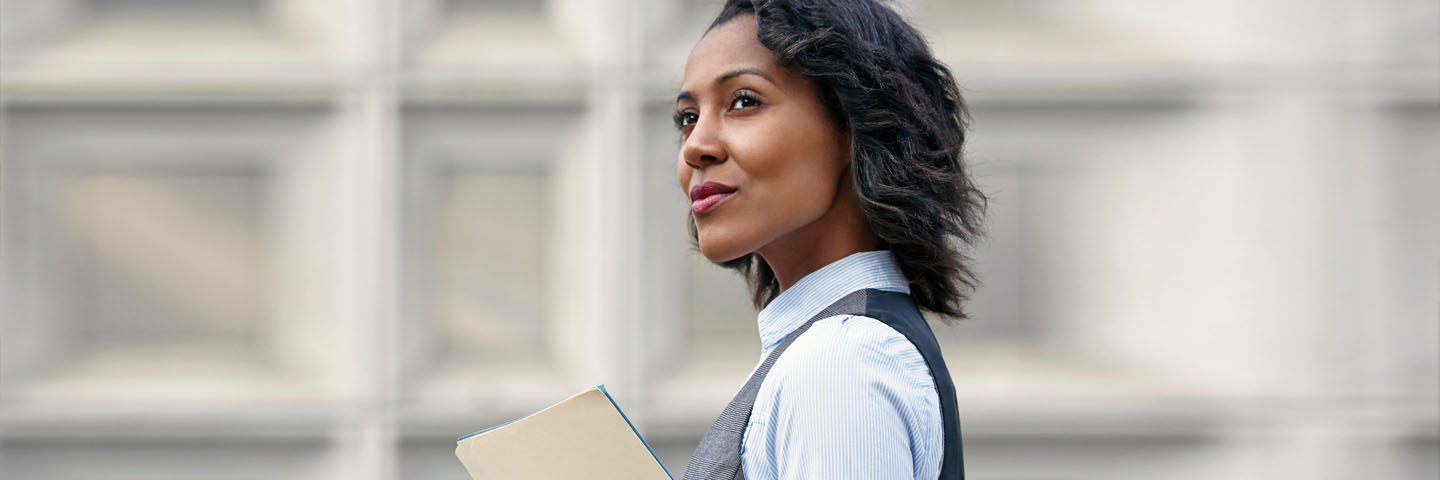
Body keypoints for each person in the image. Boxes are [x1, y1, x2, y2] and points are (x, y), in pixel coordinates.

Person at [671, 0, 987, 479]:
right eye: (688, 117)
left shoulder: (840, 362)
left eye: (744, 101)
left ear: (852, 125)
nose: (696, 145)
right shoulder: (833, 350)